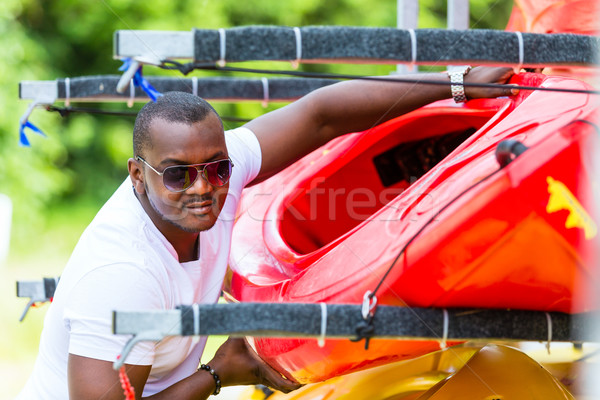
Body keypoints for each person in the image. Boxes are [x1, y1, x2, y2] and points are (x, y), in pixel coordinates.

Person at [17, 66, 516, 399]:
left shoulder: (209, 164)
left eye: (218, 169)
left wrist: (458, 82)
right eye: (176, 175)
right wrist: (217, 374)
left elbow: (320, 115)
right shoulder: (124, 274)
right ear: (136, 174)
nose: (202, 188)